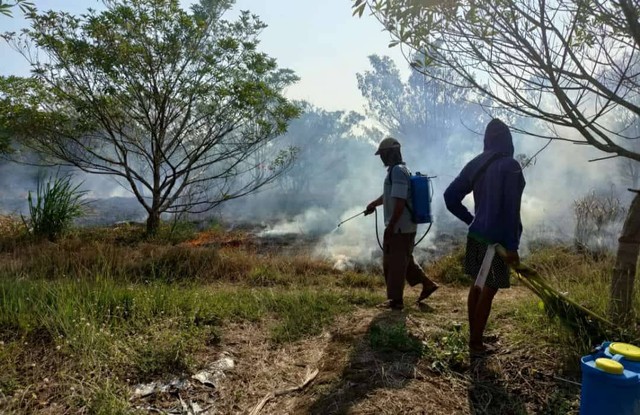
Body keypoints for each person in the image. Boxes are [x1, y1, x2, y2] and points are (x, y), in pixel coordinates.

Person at [444, 118, 525, 355]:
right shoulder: (511, 166)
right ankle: (476, 344)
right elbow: (512, 210)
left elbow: (450, 197)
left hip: (476, 236)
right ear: (508, 140)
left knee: (477, 286)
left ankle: (475, 336)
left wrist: (472, 220)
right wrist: (512, 246)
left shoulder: (476, 163)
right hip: (497, 242)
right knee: (488, 291)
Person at [365, 137, 439, 310]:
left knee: (394, 264)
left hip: (400, 227)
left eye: (383, 154)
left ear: (390, 153)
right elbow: (390, 195)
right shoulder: (397, 170)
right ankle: (428, 284)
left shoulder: (397, 171)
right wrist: (373, 204)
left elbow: (399, 201)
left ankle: (396, 301)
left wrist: (391, 226)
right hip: (403, 226)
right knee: (404, 260)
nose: (381, 158)